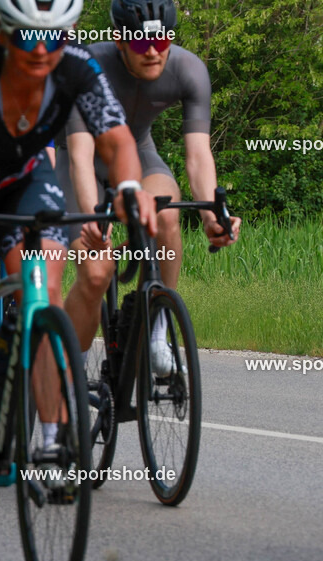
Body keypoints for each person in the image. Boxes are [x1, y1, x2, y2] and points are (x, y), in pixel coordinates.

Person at [0, 0, 158, 462]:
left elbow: (118, 139)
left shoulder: (77, 67)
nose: (42, 49)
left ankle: (50, 438)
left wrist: (126, 186)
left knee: (41, 290)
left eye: (57, 36)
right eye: (27, 36)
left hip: (24, 180)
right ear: (2, 32)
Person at [59, 0, 241, 375]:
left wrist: (211, 213)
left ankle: (157, 328)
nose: (154, 51)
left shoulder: (188, 68)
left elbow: (198, 154)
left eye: (163, 40)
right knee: (96, 271)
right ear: (119, 39)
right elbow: (80, 154)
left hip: (139, 154)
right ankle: (70, 374)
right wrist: (95, 215)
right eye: (142, 43)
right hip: (79, 158)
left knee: (168, 213)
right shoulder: (88, 66)